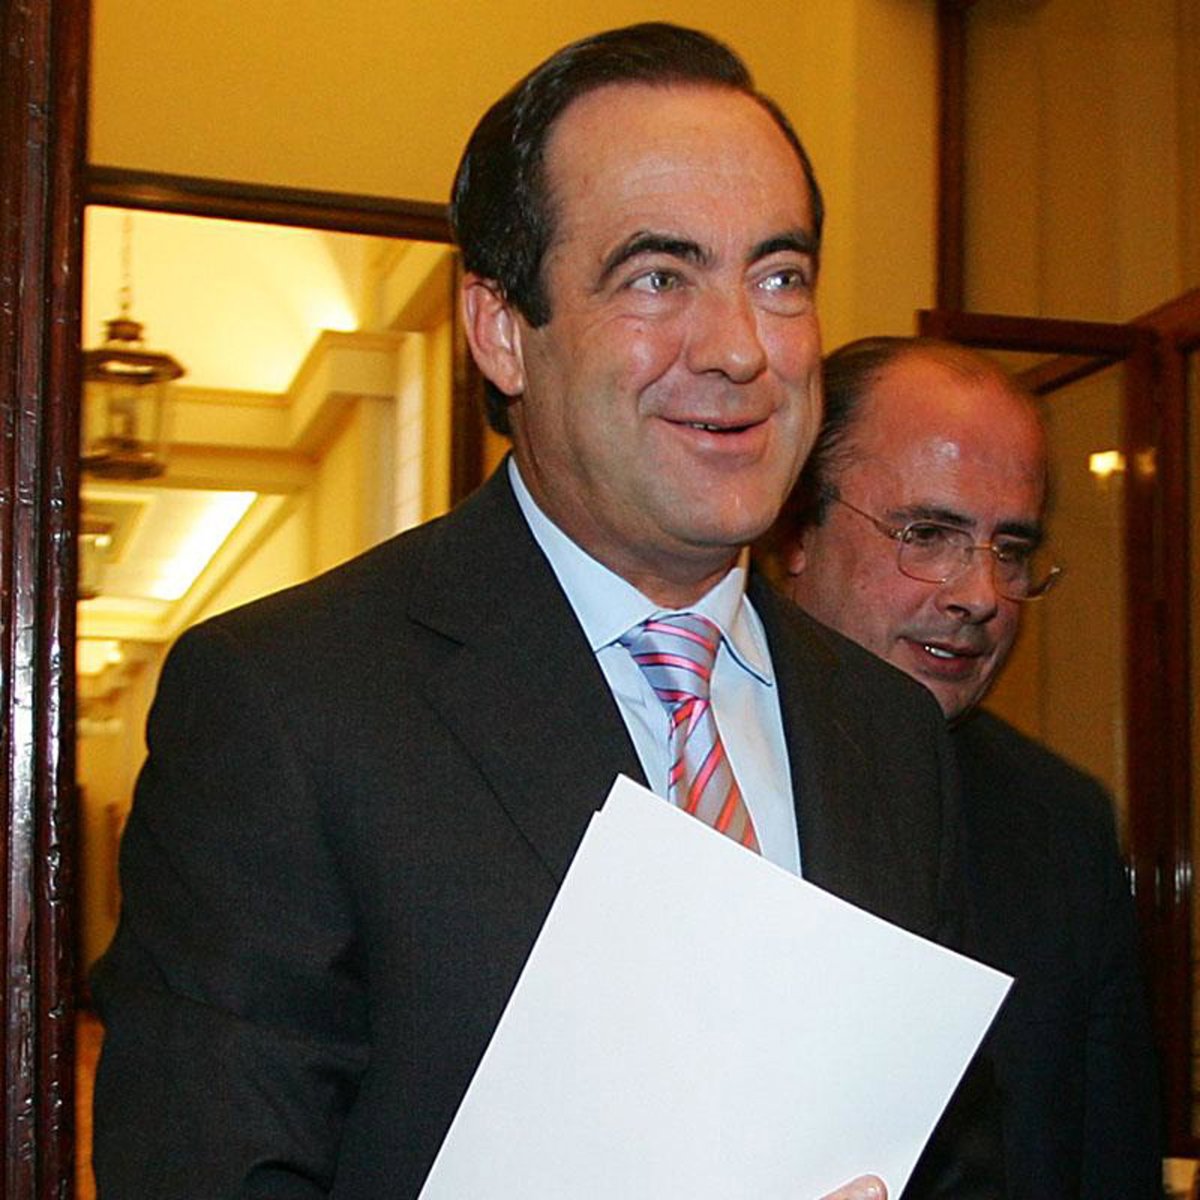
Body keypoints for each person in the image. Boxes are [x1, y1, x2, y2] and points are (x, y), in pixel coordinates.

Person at [91, 28, 998, 1200]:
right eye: (658, 277)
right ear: (501, 330)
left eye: (779, 278)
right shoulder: (288, 706)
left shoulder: (890, 732)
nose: (740, 348)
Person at [767, 335, 1162, 1198]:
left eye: (1010, 550)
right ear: (795, 527)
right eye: (929, 533)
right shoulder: (681, 755)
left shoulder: (1060, 827)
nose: (980, 595)